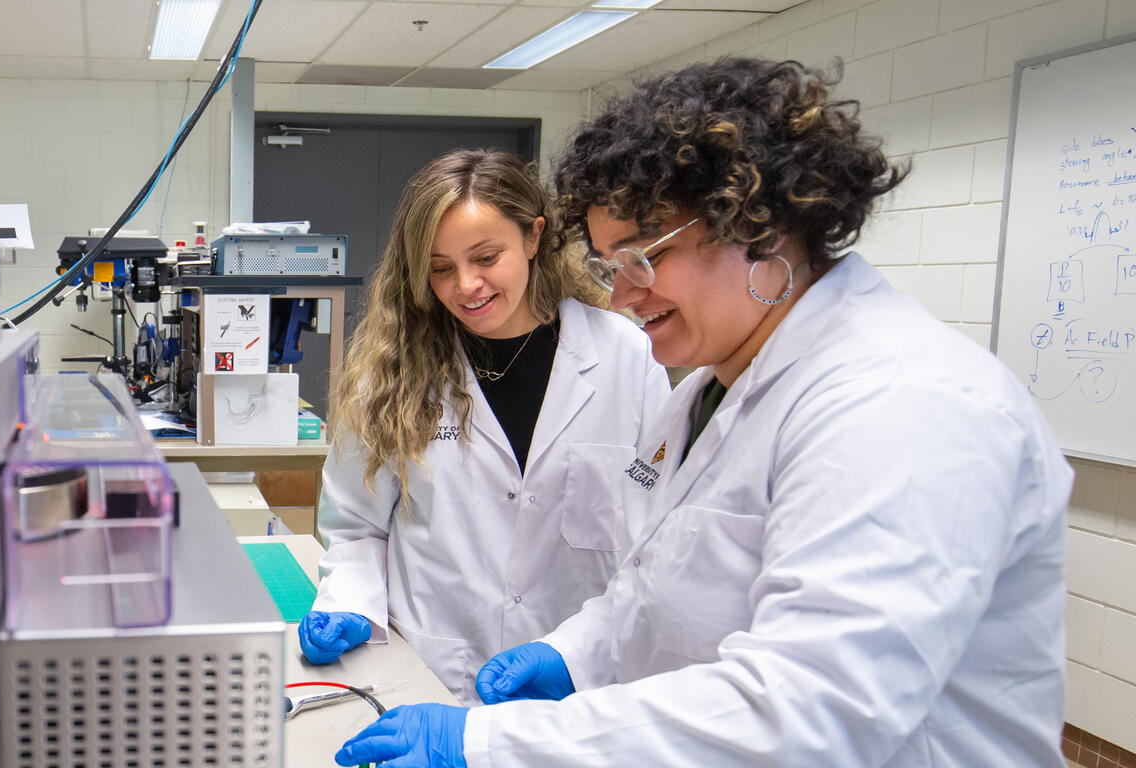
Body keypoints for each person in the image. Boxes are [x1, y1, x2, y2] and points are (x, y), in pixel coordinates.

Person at [332, 58, 1073, 768]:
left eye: (641, 257)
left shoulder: (902, 405)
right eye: (608, 265)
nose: (620, 295)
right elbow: (649, 584)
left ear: (759, 222)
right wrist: (574, 653)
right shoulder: (708, 396)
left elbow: (808, 713)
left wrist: (493, 745)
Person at [300, 149, 671, 706]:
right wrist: (348, 601)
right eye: (440, 267)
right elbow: (357, 523)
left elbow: (656, 536)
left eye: (486, 256)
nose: (466, 285)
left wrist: (578, 652)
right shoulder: (392, 369)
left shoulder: (626, 357)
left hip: (577, 683)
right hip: (429, 675)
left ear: (533, 237)